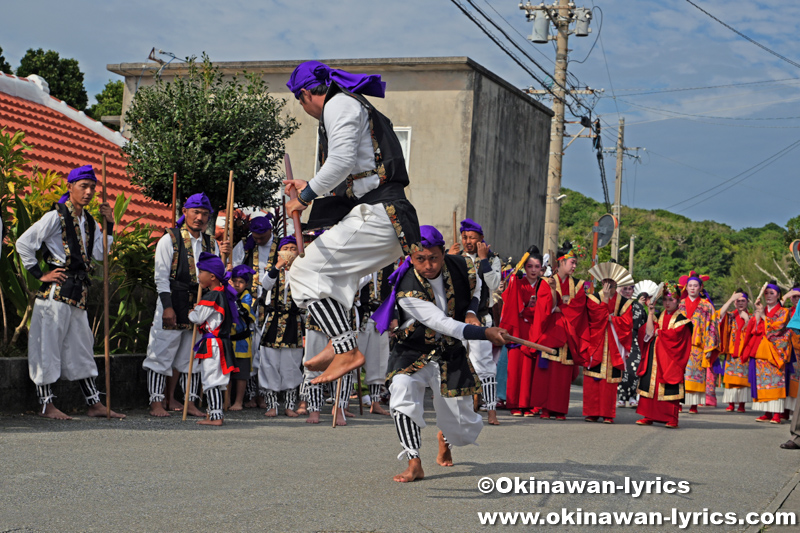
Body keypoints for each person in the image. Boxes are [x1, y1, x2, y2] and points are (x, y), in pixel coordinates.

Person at [284, 61, 420, 385]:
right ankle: (341, 343)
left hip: (380, 215)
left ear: (305, 94)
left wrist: (304, 199)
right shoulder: (348, 104)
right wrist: (313, 188)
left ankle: (346, 349)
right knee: (332, 280)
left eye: (300, 103)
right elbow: (356, 172)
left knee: (304, 271)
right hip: (384, 217)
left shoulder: (339, 104)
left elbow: (341, 161)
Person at [375, 226, 509, 483]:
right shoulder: (406, 286)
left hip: (449, 352)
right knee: (401, 391)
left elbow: (478, 286)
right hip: (412, 350)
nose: (428, 265)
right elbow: (443, 323)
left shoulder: (461, 265)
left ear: (443, 253)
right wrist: (483, 333)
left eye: (433, 258)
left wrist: (472, 310)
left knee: (464, 431)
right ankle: (414, 461)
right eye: (420, 259)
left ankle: (446, 437)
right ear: (411, 257)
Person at [17, 164, 124, 419]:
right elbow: (23, 243)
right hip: (54, 294)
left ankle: (95, 403)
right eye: (83, 186)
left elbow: (99, 254)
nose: (88, 192)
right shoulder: (54, 217)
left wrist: (109, 225)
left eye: (92, 187)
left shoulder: (89, 221)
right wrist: (39, 274)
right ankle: (46, 405)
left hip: (79, 294)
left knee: (82, 347)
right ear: (70, 187)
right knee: (47, 348)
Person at [142, 193, 228, 418]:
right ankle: (156, 402)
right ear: (185, 212)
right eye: (195, 212)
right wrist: (167, 307)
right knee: (160, 353)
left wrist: (224, 259)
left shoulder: (212, 243)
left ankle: (189, 401)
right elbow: (161, 277)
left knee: (191, 357)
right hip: (172, 300)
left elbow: (217, 277)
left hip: (199, 306)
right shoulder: (169, 239)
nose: (199, 217)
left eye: (204, 214)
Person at [449, 218, 503, 425]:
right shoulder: (455, 256)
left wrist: (484, 260)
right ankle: (459, 409)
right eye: (465, 237)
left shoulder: (492, 258)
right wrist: (448, 259)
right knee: (458, 363)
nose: (467, 241)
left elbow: (495, 284)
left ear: (481, 239)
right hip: (457, 320)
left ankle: (491, 410)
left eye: (472, 237)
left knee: (485, 366)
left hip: (481, 318)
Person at [529, 241, 588, 420]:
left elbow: (578, 309)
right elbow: (544, 307)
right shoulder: (547, 282)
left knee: (562, 374)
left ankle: (560, 409)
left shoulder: (578, 285)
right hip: (551, 331)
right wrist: (558, 299)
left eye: (576, 263)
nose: (575, 266)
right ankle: (545, 407)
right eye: (572, 262)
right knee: (548, 372)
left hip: (568, 334)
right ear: (561, 262)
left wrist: (560, 306)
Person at [188, 252, 239, 426]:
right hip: (219, 343)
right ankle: (214, 413)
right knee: (214, 379)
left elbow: (198, 318)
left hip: (214, 344)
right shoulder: (221, 294)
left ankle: (216, 417)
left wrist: (192, 313)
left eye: (201, 272)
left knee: (212, 380)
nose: (198, 275)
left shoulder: (213, 295)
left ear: (212, 276)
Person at [635, 282, 693, 429]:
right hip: (654, 356)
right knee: (651, 384)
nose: (667, 303)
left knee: (668, 385)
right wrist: (651, 313)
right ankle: (649, 415)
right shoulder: (658, 315)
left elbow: (676, 337)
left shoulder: (682, 320)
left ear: (678, 301)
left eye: (671, 299)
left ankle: (671, 418)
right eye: (665, 300)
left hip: (670, 359)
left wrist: (659, 333)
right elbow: (647, 333)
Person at [232, 215, 275, 409]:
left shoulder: (282, 245)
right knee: (250, 351)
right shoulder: (245, 245)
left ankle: (265, 394)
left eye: (261, 237)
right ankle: (251, 395)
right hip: (248, 305)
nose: (258, 241)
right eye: (255, 237)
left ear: (270, 231)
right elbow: (232, 269)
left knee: (266, 351)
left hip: (273, 305)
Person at [259, 236, 304, 417]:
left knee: (291, 365)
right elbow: (265, 284)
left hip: (294, 323)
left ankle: (289, 405)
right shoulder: (271, 270)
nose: (289, 251)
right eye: (286, 247)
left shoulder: (303, 272)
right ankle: (271, 405)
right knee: (269, 364)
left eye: (293, 248)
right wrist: (278, 266)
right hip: (273, 321)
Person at [583, 267, 633, 424]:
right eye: (605, 281)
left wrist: (613, 320)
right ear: (601, 281)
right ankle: (591, 412)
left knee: (609, 380)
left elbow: (628, 323)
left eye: (611, 281)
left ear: (616, 281)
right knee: (593, 378)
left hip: (614, 343)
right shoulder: (592, 298)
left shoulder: (625, 302)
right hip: (596, 341)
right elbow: (596, 318)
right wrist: (604, 299)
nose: (608, 284)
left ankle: (607, 413)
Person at [498, 248, 543, 416]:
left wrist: (535, 307)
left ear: (541, 268)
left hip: (535, 331)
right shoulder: (517, 283)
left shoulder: (544, 285)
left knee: (532, 370)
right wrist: (525, 306)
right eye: (529, 266)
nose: (532, 270)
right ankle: (515, 403)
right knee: (516, 368)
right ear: (525, 267)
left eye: (536, 266)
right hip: (519, 330)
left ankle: (531, 404)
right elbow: (510, 305)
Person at [741, 282, 791, 424]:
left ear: (778, 295)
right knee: (763, 382)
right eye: (766, 293)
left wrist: (763, 316)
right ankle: (767, 412)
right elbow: (754, 330)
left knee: (776, 382)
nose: (769, 296)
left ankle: (776, 414)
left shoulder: (784, 312)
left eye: (772, 293)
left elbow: (778, 329)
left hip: (775, 352)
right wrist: (758, 315)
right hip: (761, 351)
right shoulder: (762, 311)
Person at [355, 265, 396, 416]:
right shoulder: (360, 260)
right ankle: (342, 402)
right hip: (359, 315)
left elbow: (393, 292)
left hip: (381, 315)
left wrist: (393, 316)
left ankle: (375, 402)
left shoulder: (387, 264)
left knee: (378, 362)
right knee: (352, 360)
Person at [678, 272, 719, 414]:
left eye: (695, 285)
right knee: (679, 374)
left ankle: (694, 404)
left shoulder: (707, 306)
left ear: (700, 287)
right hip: (680, 344)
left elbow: (712, 326)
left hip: (698, 346)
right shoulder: (680, 304)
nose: (693, 288)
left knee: (695, 375)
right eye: (690, 286)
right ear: (686, 287)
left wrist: (709, 347)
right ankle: (677, 401)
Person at [716, 289, 751, 412]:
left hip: (744, 353)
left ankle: (741, 405)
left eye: (743, 301)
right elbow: (719, 315)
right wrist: (730, 299)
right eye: (738, 301)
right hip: (731, 352)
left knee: (743, 380)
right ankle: (731, 403)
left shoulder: (751, 317)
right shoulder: (730, 315)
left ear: (747, 302)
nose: (740, 303)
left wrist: (747, 320)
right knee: (730, 380)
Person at [229, 265, 256, 411]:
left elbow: (244, 312)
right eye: (234, 281)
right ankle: (225, 400)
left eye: (241, 281)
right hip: (227, 340)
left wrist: (232, 296)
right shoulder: (225, 293)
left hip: (242, 342)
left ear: (246, 284)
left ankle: (238, 402)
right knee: (227, 372)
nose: (237, 284)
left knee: (241, 374)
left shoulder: (246, 296)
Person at [618, 283, 646, 408]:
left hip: (635, 339)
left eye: (630, 289)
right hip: (619, 338)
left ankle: (633, 396)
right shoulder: (617, 305)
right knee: (622, 369)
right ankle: (621, 396)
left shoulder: (638, 306)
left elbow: (644, 325)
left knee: (634, 369)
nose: (628, 291)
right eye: (625, 288)